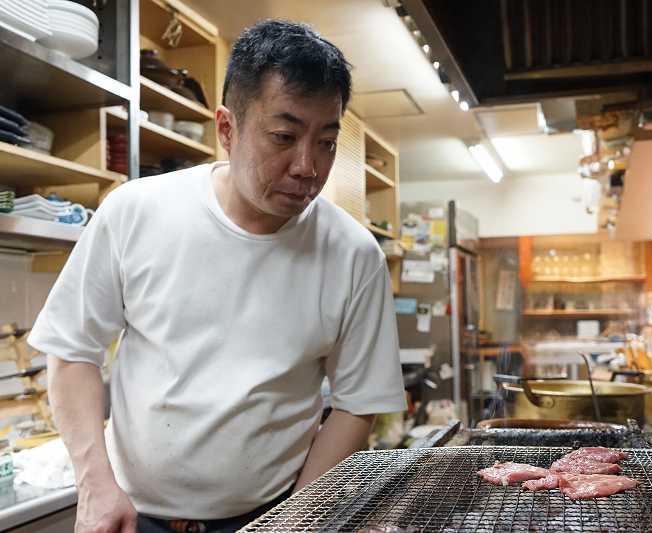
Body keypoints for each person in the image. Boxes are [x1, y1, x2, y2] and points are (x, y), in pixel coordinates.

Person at [29, 19, 406, 533]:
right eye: (284, 136)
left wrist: (298, 518)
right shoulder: (135, 212)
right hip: (135, 515)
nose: (307, 166)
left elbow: (356, 405)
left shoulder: (354, 253)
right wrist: (95, 480)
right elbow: (72, 349)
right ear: (227, 128)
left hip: (268, 514)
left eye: (326, 142)